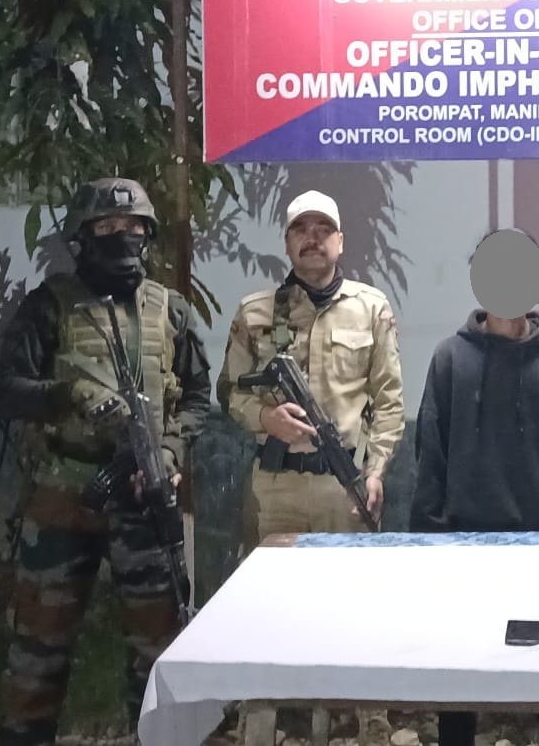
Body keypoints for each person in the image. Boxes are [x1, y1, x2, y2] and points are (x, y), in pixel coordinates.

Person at [0, 177, 211, 746]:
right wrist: (68, 394)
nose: (122, 236)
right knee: (39, 646)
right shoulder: (48, 306)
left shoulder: (171, 311)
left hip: (144, 497)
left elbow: (197, 398)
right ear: (82, 237)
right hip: (63, 499)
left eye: (133, 227)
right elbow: (7, 391)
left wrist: (168, 451)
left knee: (159, 648)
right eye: (108, 227)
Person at [216, 187, 404, 746]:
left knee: (355, 609)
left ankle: (368, 723)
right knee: (266, 610)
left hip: (343, 487)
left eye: (324, 230)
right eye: (302, 229)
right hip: (275, 488)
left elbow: (389, 401)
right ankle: (261, 724)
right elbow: (230, 392)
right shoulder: (256, 312)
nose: (313, 239)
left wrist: (376, 470)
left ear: (340, 241)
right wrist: (265, 419)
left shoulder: (371, 308)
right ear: (288, 242)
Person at [410, 227, 539, 746]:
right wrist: (430, 542)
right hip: (465, 545)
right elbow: (430, 457)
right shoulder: (450, 357)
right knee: (458, 680)